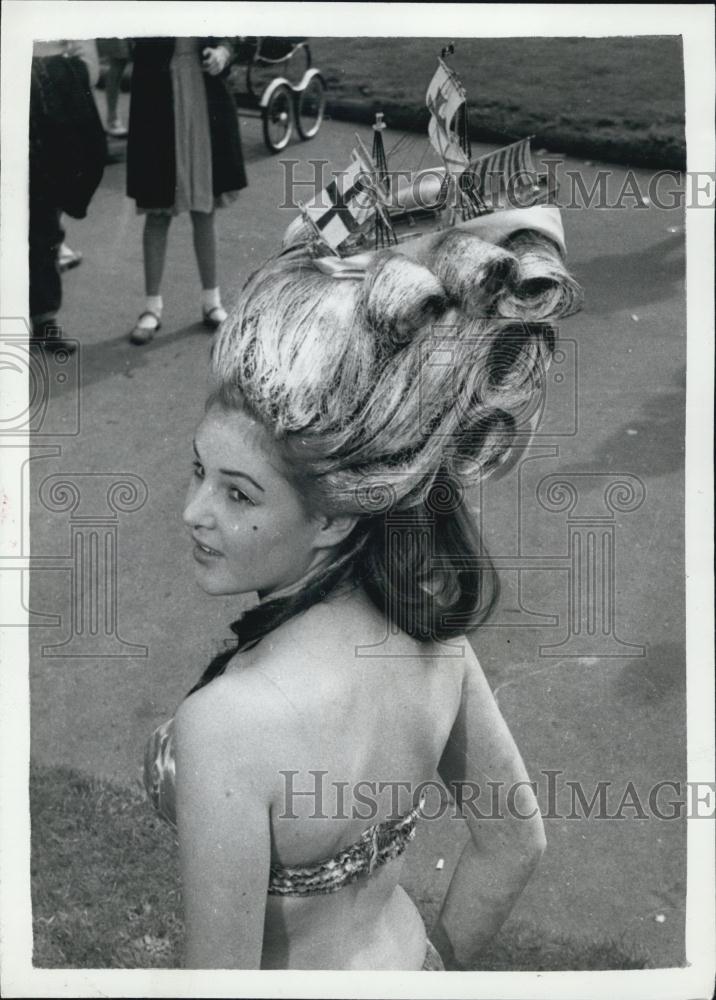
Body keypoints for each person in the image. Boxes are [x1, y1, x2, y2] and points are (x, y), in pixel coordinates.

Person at [144, 213, 581, 969]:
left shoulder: (226, 725)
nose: (195, 513)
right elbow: (514, 843)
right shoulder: (431, 637)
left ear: (334, 518)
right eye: (198, 472)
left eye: (239, 495)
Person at [126, 37, 247, 345]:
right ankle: (151, 308)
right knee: (157, 212)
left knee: (204, 209)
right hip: (159, 100)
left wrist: (223, 52)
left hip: (204, 98)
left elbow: (236, 33)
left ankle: (212, 302)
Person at [29, 39, 105, 352]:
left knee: (43, 222)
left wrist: (59, 74)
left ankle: (44, 319)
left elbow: (89, 65)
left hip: (50, 109)